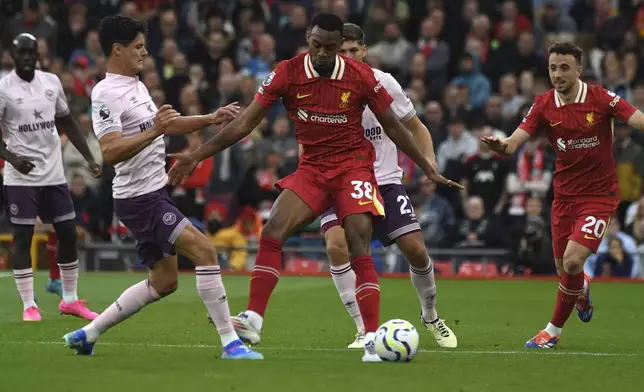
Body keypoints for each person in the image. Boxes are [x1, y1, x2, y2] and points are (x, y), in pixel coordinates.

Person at [168, 13, 461, 362]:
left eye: (332, 47)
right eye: (316, 44)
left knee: (358, 242)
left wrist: (427, 165)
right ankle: (253, 319)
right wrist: (197, 154)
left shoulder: (363, 76)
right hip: (313, 169)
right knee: (273, 228)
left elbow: (397, 128)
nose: (322, 53)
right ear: (308, 37)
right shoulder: (287, 72)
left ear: (343, 47)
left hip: (354, 168)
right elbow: (245, 122)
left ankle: (371, 339)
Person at [62, 15, 262, 360]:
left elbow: (165, 125)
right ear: (117, 49)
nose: (144, 52)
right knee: (206, 251)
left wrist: (210, 118)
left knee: (165, 281)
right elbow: (110, 151)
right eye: (138, 46)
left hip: (154, 192)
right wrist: (155, 131)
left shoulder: (136, 85)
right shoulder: (106, 94)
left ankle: (88, 333)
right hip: (139, 198)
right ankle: (231, 343)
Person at [481, 41, 644, 348]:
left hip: (599, 195)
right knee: (565, 271)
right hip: (564, 198)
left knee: (571, 262)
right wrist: (501, 145)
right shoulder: (544, 104)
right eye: (553, 68)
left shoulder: (600, 98)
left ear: (579, 70)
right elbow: (514, 142)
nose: (557, 74)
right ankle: (581, 291)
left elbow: (637, 119)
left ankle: (551, 332)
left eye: (565, 67)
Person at [318, 24, 457, 349]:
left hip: (385, 182)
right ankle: (363, 330)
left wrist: (430, 163)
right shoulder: (322, 88)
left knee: (416, 250)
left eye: (354, 50)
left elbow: (416, 127)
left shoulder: (384, 83)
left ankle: (431, 316)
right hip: (338, 181)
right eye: (343, 51)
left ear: (364, 51)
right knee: (337, 246)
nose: (349, 56)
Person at [0, 33, 101, 322]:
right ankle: (29, 304)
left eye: (32, 52)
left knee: (68, 232)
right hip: (21, 177)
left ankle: (69, 299)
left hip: (54, 173)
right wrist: (12, 158)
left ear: (38, 55)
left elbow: (66, 120)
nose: (28, 57)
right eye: (21, 53)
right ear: (12, 55)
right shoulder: (4, 88)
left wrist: (89, 157)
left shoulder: (51, 83)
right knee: (23, 237)